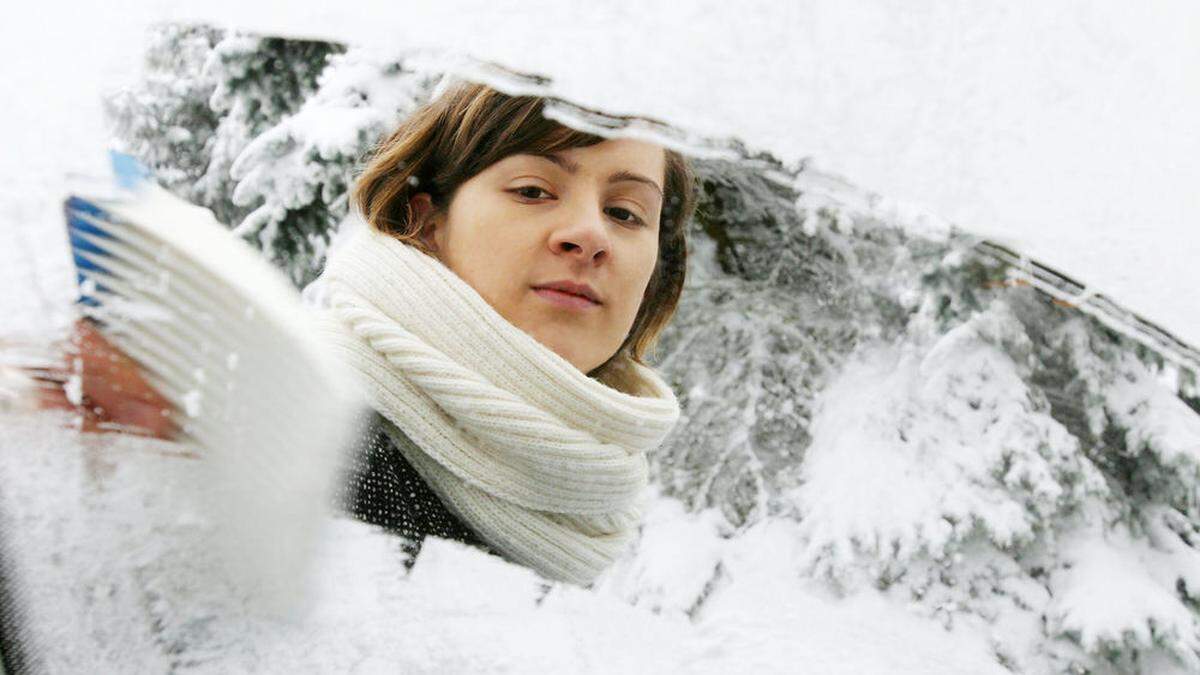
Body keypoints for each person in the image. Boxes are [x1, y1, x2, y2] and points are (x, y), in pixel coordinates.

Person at [44, 81, 697, 587]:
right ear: (425, 221)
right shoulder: (280, 416)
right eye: (532, 189)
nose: (589, 233)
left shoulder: (585, 506)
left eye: (626, 212)